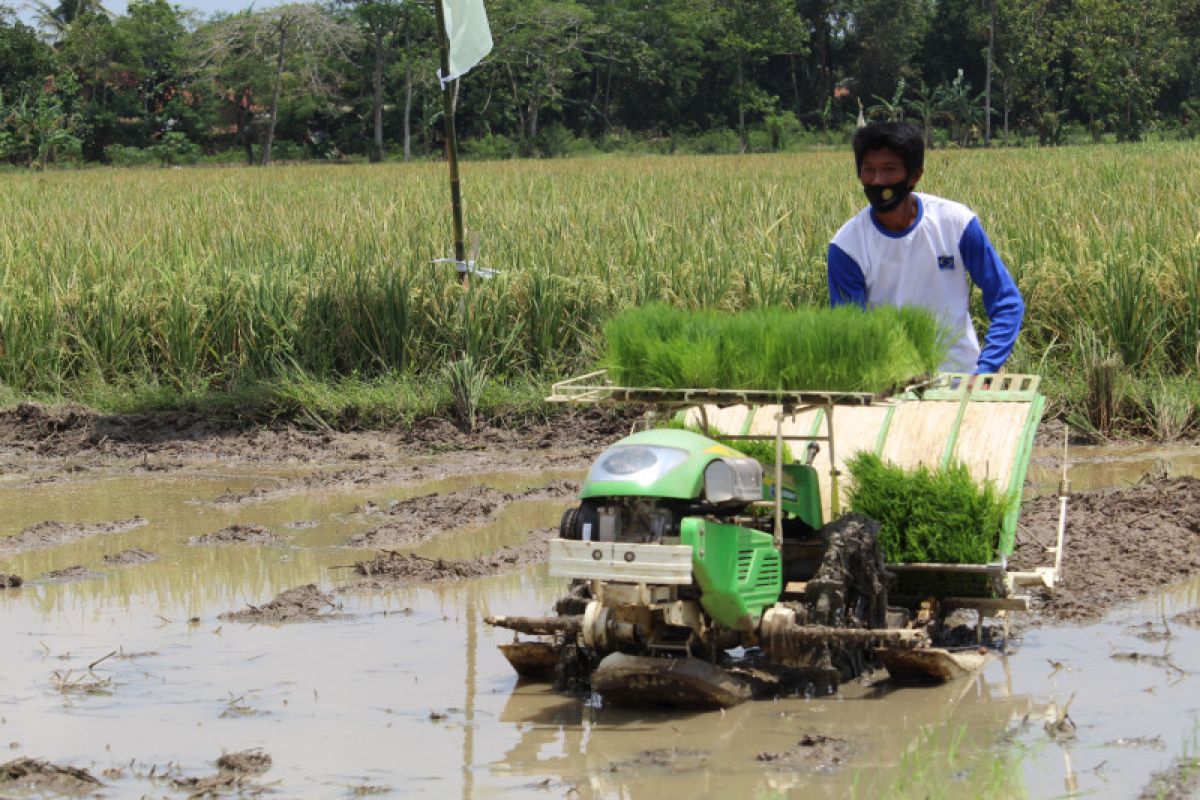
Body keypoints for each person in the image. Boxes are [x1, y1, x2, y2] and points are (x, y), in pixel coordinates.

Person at [827, 121, 1024, 375]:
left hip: (961, 381)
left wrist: (986, 368)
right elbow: (851, 333)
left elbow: (1007, 301)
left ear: (915, 175)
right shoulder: (847, 246)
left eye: (889, 169)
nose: (877, 181)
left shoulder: (956, 223)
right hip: (891, 389)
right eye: (868, 170)